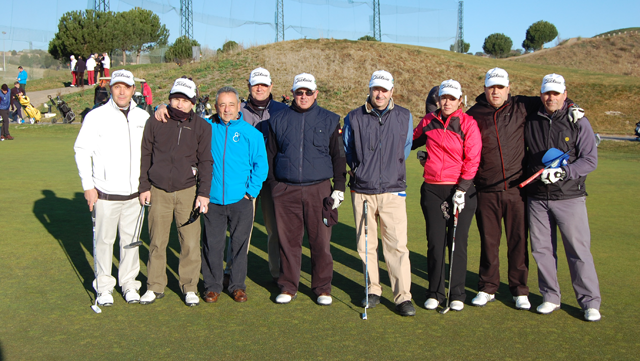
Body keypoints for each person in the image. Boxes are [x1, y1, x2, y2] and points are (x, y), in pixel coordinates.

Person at [524, 73, 601, 322]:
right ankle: (550, 296)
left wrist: (564, 172)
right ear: (541, 94)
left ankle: (589, 302)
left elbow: (590, 160)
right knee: (542, 250)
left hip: (569, 196)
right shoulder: (531, 116)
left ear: (565, 94)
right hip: (537, 197)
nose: (551, 97)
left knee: (578, 251)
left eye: (556, 93)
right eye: (547, 92)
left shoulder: (578, 120)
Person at [266, 73, 346, 305]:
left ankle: (322, 288)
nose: (303, 96)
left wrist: (338, 187)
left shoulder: (330, 119)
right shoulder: (278, 119)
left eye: (308, 92)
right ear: (292, 93)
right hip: (285, 190)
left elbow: (338, 156)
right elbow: (271, 155)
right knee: (288, 242)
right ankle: (288, 286)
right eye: (299, 92)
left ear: (316, 93)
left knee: (320, 241)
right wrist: (275, 186)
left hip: (319, 190)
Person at [73, 69, 150, 306]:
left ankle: (128, 284)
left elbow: (149, 154)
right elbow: (82, 150)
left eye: (126, 87)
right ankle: (104, 287)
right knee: (104, 243)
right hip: (104, 193)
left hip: (134, 195)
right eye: (117, 86)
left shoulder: (143, 117)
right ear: (111, 88)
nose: (122, 91)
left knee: (131, 242)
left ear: (133, 90)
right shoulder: (96, 116)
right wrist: (88, 186)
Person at [342, 70, 416, 316]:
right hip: (363, 189)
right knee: (366, 245)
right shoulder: (354, 117)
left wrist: (389, 170)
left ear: (392, 91)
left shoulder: (404, 116)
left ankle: (402, 296)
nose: (380, 94)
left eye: (385, 90)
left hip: (393, 190)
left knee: (396, 245)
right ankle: (373, 289)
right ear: (370, 90)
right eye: (376, 89)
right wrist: (362, 170)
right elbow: (348, 150)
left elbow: (404, 150)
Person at [138, 77, 213, 307]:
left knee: (189, 242)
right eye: (175, 99)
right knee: (157, 241)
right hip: (158, 189)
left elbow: (206, 162)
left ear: (192, 102)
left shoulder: (202, 126)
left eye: (184, 100)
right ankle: (155, 285)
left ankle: (189, 287)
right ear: (169, 99)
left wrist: (204, 193)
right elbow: (146, 154)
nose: (179, 104)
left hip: (188, 191)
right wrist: (144, 186)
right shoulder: (156, 121)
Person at [412, 79, 481, 312]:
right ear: (438, 99)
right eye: (444, 98)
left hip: (460, 191)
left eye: (452, 98)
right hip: (432, 188)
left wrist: (462, 189)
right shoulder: (428, 121)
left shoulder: (468, 123)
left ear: (460, 100)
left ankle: (457, 293)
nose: (447, 102)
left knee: (458, 243)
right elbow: (410, 141)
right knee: (435, 242)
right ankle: (435, 292)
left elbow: (473, 159)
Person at [200, 86, 268, 304]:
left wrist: (251, 192)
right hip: (213, 200)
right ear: (216, 107)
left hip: (241, 199)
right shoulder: (207, 128)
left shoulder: (251, 133)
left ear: (239, 106)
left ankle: (237, 286)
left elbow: (261, 165)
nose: (227, 109)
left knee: (239, 245)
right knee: (213, 244)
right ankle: (212, 286)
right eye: (222, 105)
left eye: (231, 104)